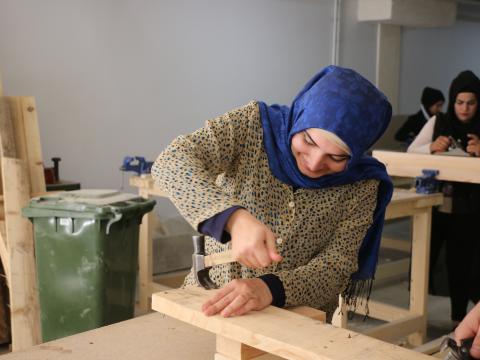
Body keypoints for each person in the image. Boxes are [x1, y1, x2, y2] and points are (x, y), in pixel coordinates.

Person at [152, 65, 393, 320]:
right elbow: (172, 161)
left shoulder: (363, 184)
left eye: (336, 157)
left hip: (296, 319)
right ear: (301, 116)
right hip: (208, 301)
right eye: (308, 142)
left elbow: (336, 266)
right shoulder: (252, 126)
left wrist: (270, 288)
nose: (313, 163)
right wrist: (233, 219)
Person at [408, 70, 480, 325]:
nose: (465, 108)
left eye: (471, 102)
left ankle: (464, 320)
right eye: (460, 102)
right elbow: (410, 152)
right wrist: (430, 147)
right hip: (437, 206)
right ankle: (436, 318)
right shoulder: (439, 122)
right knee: (432, 263)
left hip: (472, 212)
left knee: (467, 267)